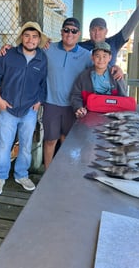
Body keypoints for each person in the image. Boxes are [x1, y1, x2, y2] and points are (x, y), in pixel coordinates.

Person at [0, 22, 47, 196]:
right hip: (8, 109)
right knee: (4, 146)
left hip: (29, 110)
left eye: (34, 36)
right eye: (27, 35)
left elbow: (43, 83)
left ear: (39, 39)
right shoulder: (7, 55)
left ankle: (21, 174)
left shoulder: (42, 58)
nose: (30, 40)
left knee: (26, 145)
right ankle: (0, 177)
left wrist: (39, 101)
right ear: (22, 37)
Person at [43, 18, 93, 169]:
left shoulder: (86, 55)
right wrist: (8, 47)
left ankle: (65, 172)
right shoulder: (48, 48)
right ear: (61, 32)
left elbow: (100, 68)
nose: (69, 33)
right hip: (51, 103)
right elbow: (28, 45)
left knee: (67, 141)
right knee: (50, 140)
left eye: (74, 31)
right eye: (66, 30)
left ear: (78, 34)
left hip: (73, 106)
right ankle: (47, 175)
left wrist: (116, 68)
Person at [79, 0, 139, 68]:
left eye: (100, 29)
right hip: (85, 81)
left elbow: (132, 22)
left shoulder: (114, 42)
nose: (97, 32)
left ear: (106, 31)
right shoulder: (80, 47)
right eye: (93, 29)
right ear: (89, 31)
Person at [70, 42, 127, 118]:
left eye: (104, 56)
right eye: (97, 56)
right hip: (89, 116)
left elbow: (123, 98)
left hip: (113, 116)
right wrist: (79, 108)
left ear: (110, 58)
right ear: (92, 57)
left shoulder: (116, 75)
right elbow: (76, 95)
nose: (101, 59)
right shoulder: (83, 76)